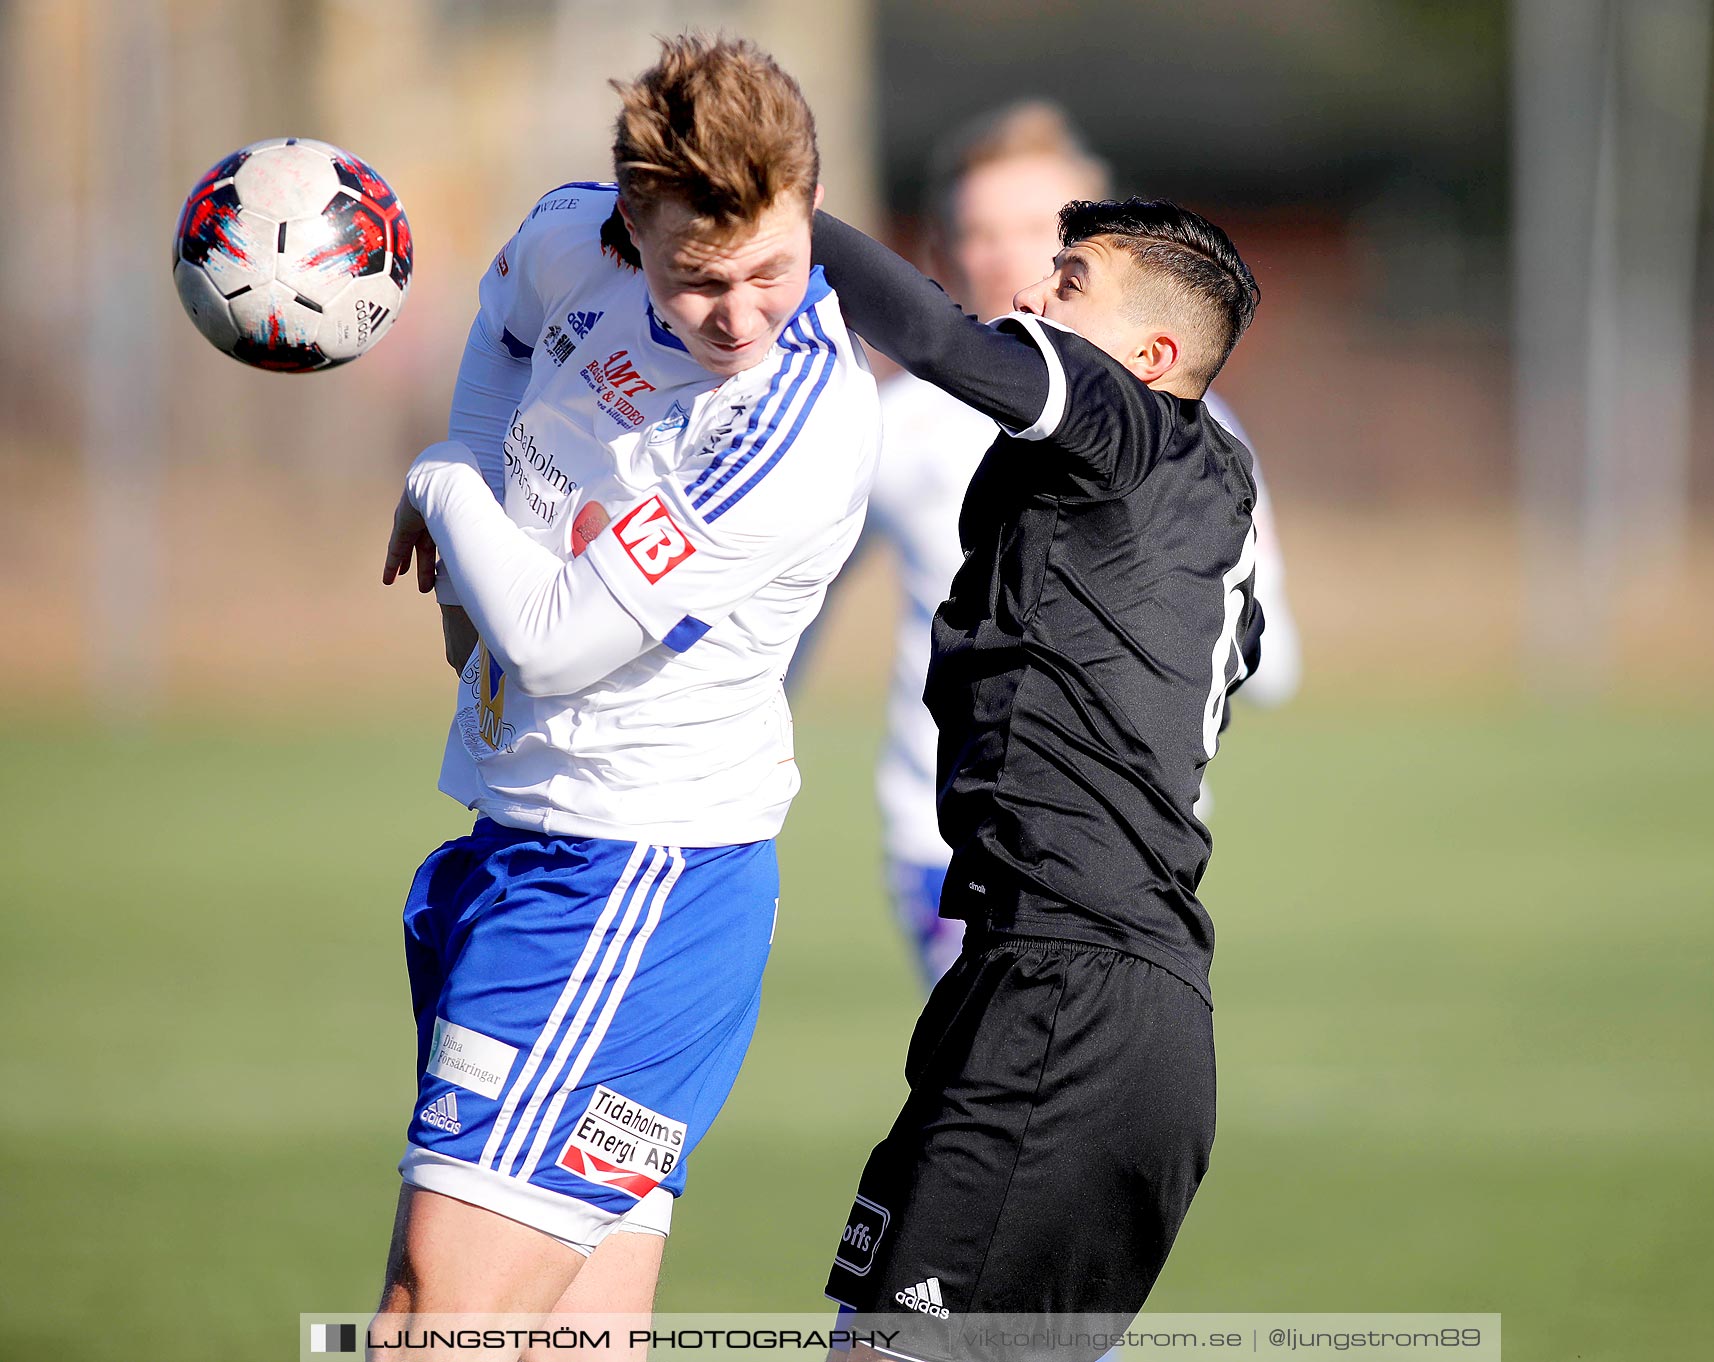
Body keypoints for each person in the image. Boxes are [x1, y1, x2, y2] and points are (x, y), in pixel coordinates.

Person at [372, 34, 880, 1334]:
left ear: (810, 208)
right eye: (698, 279)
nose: (743, 314)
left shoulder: (790, 429)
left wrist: (441, 483)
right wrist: (462, 559)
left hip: (625, 881)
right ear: (630, 226)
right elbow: (501, 323)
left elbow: (547, 640)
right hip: (544, 844)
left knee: (437, 1324)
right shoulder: (568, 240)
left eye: (775, 266)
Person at [811, 199, 1262, 1356]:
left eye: (1068, 284)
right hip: (1104, 998)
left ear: (1153, 357)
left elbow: (941, 339)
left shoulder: (1123, 418)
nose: (1032, 299)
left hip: (1067, 1000)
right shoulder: (1215, 485)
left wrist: (776, 205)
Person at [867, 102, 1300, 987]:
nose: (1005, 258)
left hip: (1125, 837)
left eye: (1037, 232)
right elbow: (787, 606)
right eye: (977, 231)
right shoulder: (893, 425)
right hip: (947, 829)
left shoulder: (1186, 427)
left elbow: (1267, 653)